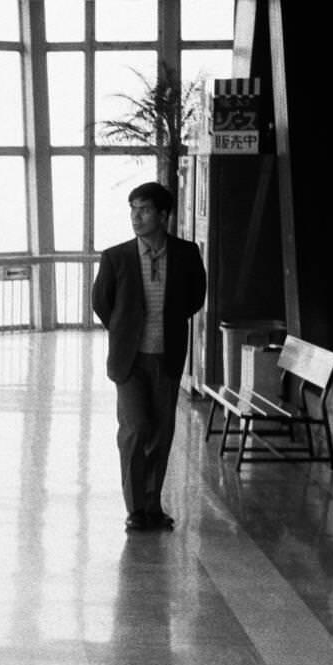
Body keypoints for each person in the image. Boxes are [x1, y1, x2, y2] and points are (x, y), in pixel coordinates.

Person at [91, 181, 206, 533]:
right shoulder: (117, 257)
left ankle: (153, 505)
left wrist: (166, 322)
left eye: (143, 210)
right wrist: (125, 331)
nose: (135, 217)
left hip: (167, 355)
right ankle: (134, 507)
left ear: (163, 214)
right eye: (132, 210)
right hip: (130, 360)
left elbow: (194, 298)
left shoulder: (186, 254)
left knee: (161, 431)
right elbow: (101, 301)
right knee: (135, 429)